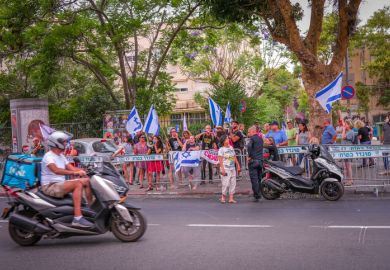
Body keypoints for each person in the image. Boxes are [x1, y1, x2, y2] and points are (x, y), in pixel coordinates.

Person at [40, 131, 94, 228]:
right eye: (64, 142)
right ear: (57, 143)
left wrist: (84, 171)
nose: (66, 144)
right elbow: (56, 170)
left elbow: (72, 168)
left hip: (59, 184)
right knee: (78, 183)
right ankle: (77, 218)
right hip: (50, 186)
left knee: (86, 180)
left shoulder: (61, 156)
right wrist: (75, 173)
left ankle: (91, 209)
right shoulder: (48, 156)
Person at [218, 135, 241, 204]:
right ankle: (223, 197)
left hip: (232, 168)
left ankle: (231, 198)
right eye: (226, 139)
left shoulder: (231, 147)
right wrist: (222, 169)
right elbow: (220, 160)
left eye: (228, 138)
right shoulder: (221, 149)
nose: (228, 139)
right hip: (225, 168)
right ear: (223, 141)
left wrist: (238, 165)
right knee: (225, 183)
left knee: (233, 183)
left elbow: (234, 157)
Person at [247, 126, 264, 202]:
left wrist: (249, 156)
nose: (248, 133)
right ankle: (259, 192)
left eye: (249, 132)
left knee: (254, 179)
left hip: (253, 161)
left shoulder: (252, 139)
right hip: (260, 161)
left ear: (253, 131)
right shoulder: (260, 138)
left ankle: (257, 195)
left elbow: (249, 146)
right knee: (259, 178)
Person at [342, 120, 355, 186]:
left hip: (348, 150)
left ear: (349, 125)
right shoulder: (348, 132)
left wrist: (343, 129)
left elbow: (343, 137)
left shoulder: (351, 132)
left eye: (346, 124)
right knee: (346, 166)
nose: (345, 125)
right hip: (345, 150)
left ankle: (350, 180)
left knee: (348, 166)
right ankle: (348, 180)